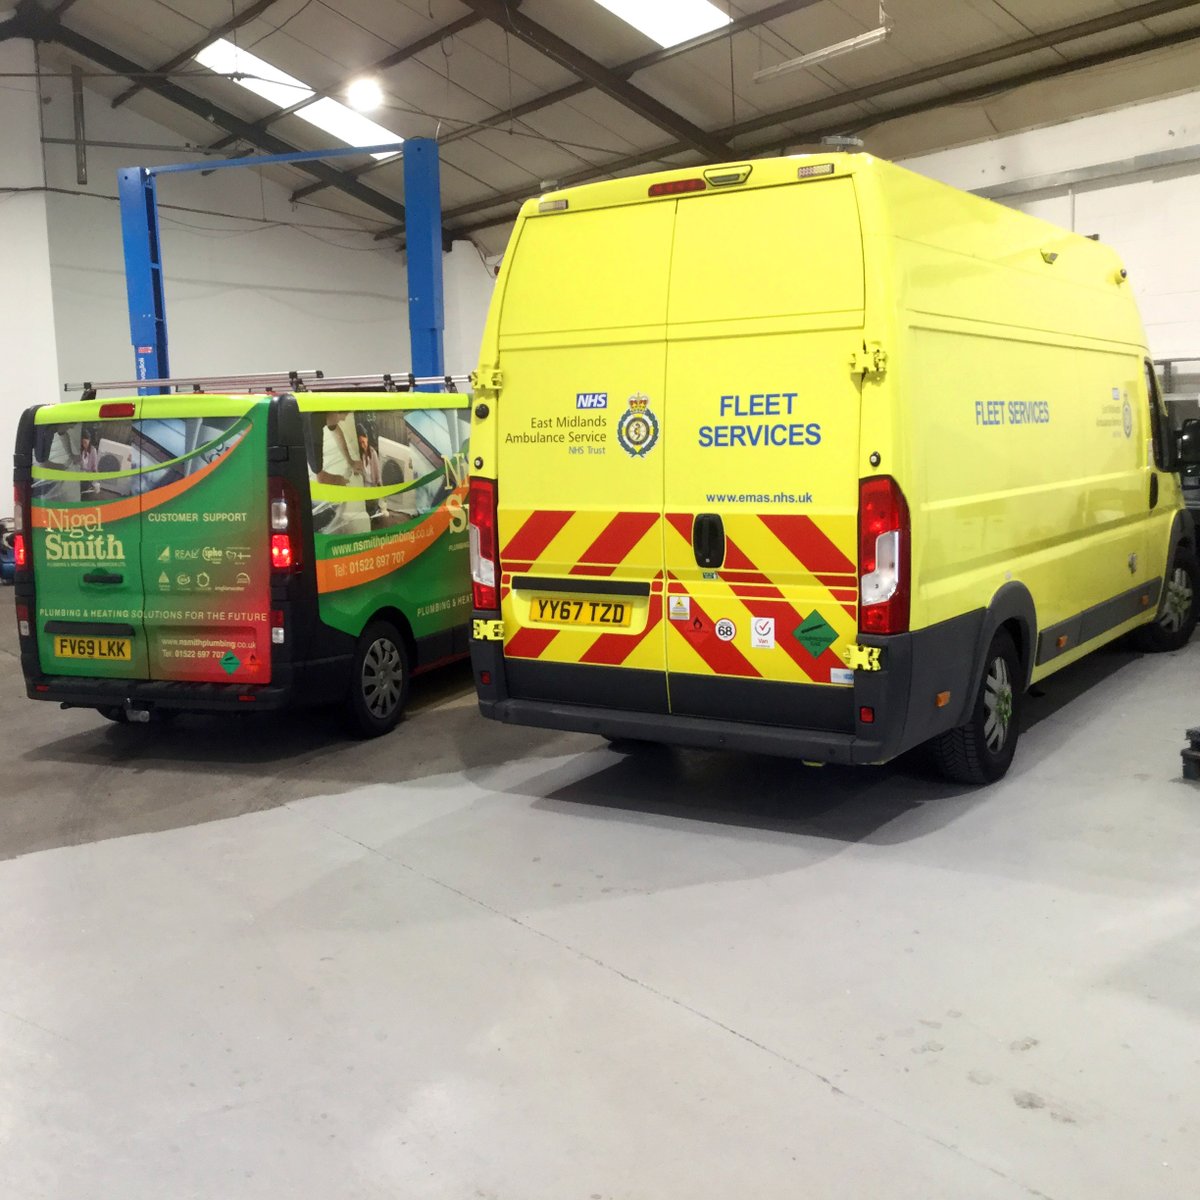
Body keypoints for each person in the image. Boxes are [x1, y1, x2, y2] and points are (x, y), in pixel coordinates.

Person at [316, 411, 370, 535]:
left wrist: (350, 462)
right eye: (343, 415)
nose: (345, 419)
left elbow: (337, 432)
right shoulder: (314, 434)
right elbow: (322, 478)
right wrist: (340, 481)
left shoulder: (323, 415)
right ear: (334, 412)